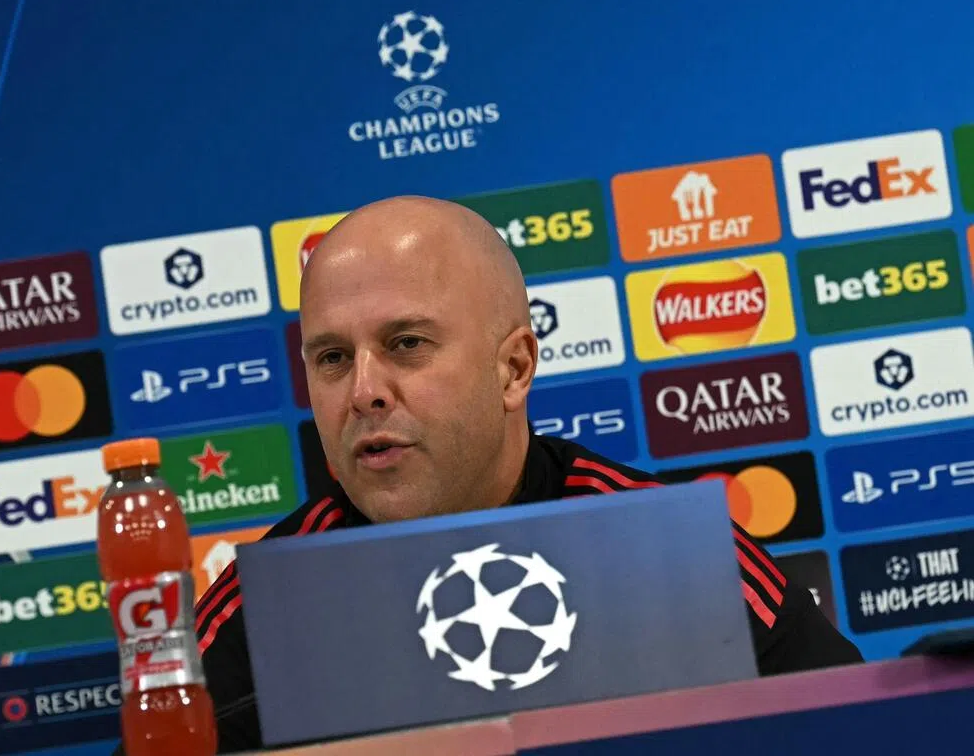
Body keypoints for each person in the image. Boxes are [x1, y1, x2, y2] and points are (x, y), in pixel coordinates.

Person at [119, 195, 863, 755]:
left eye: (405, 344)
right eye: (333, 358)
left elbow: (863, 735)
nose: (364, 391)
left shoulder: (675, 553)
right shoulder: (264, 601)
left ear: (513, 368)